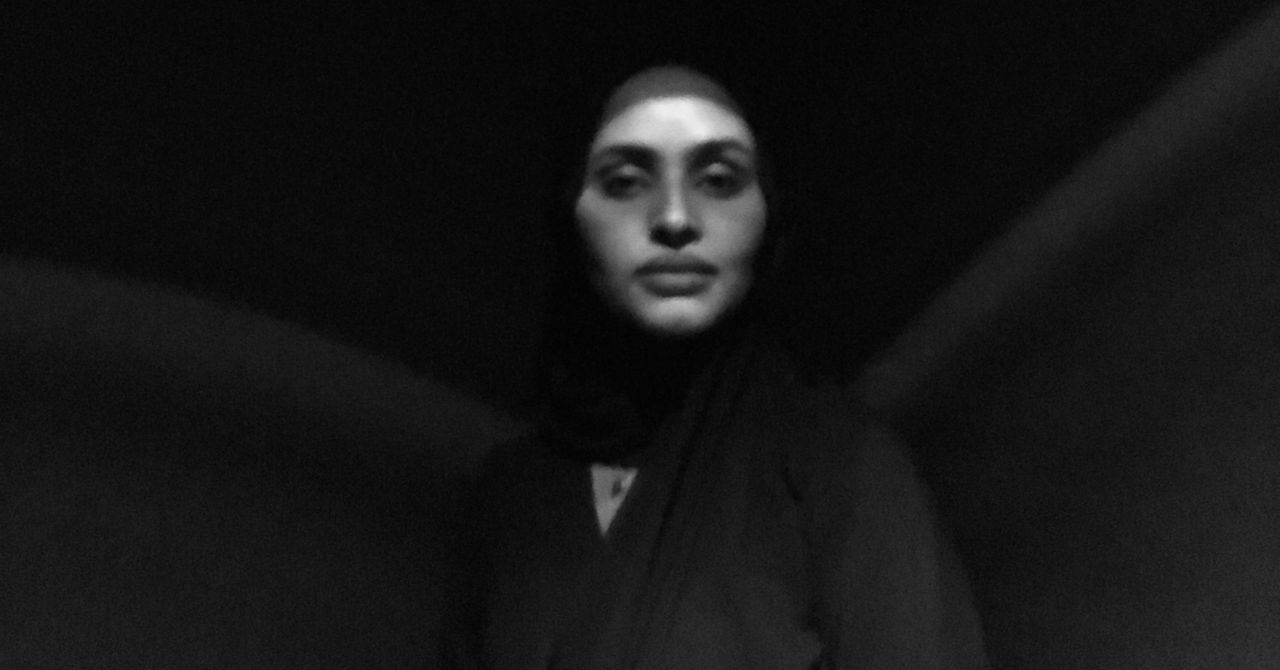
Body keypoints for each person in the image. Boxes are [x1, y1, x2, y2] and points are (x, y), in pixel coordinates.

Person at [442, 65, 988, 669]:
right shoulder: (509, 497)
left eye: (719, 180)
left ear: (768, 214)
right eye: (625, 182)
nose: (675, 218)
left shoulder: (837, 462)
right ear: (570, 213)